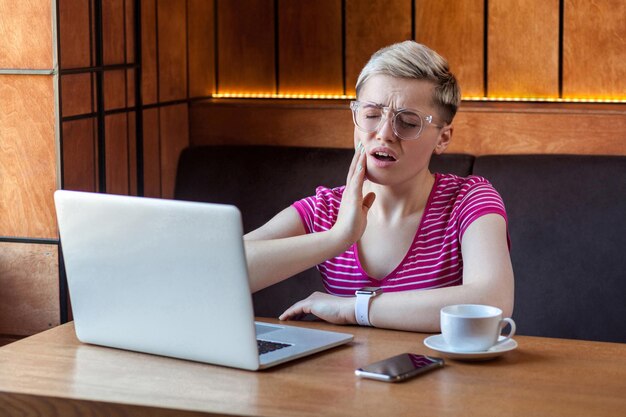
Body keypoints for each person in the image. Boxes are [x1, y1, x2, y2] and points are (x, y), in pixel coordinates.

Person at [244, 40, 514, 333]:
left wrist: (353, 308)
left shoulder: (470, 200)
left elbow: (491, 303)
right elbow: (222, 267)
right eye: (371, 115)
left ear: (443, 138)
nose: (384, 134)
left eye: (408, 123)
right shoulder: (327, 209)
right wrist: (338, 237)